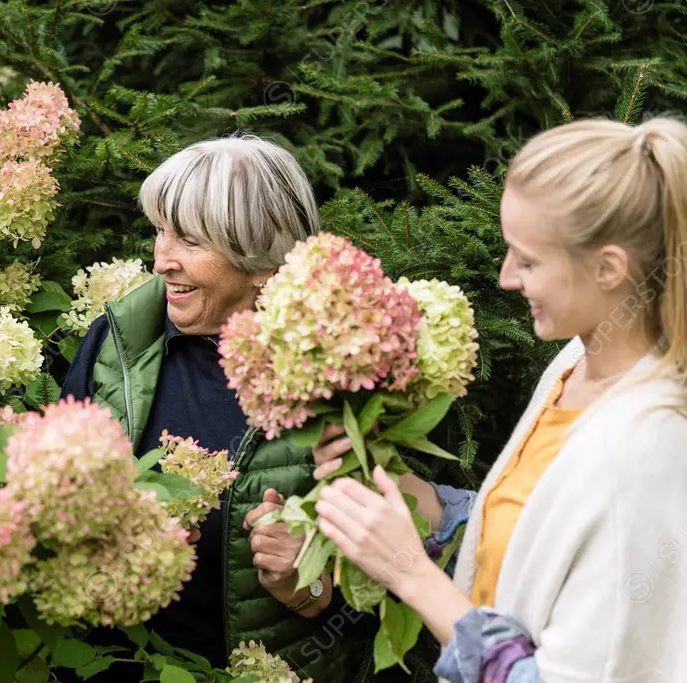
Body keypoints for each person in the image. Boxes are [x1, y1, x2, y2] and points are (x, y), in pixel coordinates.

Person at [312, 117, 687, 682]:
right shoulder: (575, 367)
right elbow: (531, 546)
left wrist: (410, 573)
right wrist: (407, 499)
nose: (507, 278)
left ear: (609, 267)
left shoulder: (645, 448)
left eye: (529, 260)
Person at [62, 133, 374, 680]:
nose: (161, 261)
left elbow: (397, 601)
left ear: (261, 263)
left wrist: (311, 592)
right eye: (160, 231)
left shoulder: (341, 379)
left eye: (188, 241)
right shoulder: (119, 346)